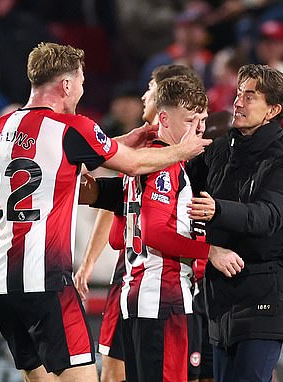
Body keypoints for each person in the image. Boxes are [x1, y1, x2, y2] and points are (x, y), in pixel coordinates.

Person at [0, 42, 212, 382]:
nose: (83, 88)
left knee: (40, 377)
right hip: (43, 275)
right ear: (67, 85)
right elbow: (132, 165)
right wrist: (182, 150)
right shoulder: (72, 127)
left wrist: (124, 139)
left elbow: (62, 155)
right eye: (81, 80)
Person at [74, 64, 206, 382]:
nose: (145, 94)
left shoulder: (150, 156)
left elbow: (110, 203)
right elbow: (148, 227)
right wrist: (211, 252)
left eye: (151, 87)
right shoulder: (150, 156)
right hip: (157, 283)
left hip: (154, 283)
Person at [186, 64, 283, 381]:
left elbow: (268, 216)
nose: (237, 102)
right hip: (221, 296)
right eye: (238, 93)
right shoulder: (220, 148)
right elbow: (177, 188)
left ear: (273, 110)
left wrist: (218, 210)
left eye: (249, 96)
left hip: (267, 294)